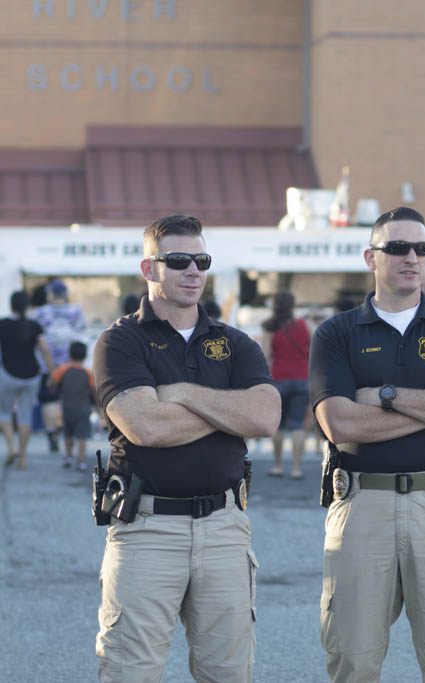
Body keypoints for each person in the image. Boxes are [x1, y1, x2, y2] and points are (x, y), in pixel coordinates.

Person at [309, 207, 425, 682]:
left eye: (422, 248)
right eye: (398, 247)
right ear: (371, 256)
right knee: (353, 660)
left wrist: (385, 397)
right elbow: (340, 423)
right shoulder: (336, 333)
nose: (412, 257)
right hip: (360, 504)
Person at [91, 214, 279, 681]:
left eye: (201, 260)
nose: (193, 270)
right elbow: (146, 426)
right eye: (178, 260)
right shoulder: (119, 341)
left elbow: (265, 417)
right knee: (129, 672)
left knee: (228, 673)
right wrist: (226, 412)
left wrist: (183, 394)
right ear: (149, 269)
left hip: (225, 528)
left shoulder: (235, 343)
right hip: (146, 529)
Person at [261, 290, 314, 479]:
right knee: (298, 424)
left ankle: (277, 465)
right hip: (302, 380)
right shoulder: (305, 324)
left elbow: (266, 356)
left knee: (280, 425)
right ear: (293, 306)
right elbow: (317, 349)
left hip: (279, 380)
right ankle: (296, 468)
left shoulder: (270, 327)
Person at [30, 279, 86, 454]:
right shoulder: (76, 311)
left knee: (50, 400)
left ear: (52, 294)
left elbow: (36, 338)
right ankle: (73, 437)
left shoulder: (40, 313)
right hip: (72, 366)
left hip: (48, 366)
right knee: (72, 401)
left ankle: (52, 434)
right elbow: (82, 332)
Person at [0, 291, 54, 469]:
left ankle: (12, 447)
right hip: (32, 376)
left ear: (11, 305)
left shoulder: (3, 324)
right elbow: (45, 350)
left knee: (4, 412)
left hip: (8, 374)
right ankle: (23, 457)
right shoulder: (34, 325)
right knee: (25, 416)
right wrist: (52, 374)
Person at [48, 340, 94, 471]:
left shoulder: (62, 370)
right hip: (84, 408)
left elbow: (51, 383)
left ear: (69, 355)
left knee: (68, 434)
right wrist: (98, 405)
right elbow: (94, 390)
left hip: (67, 407)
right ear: (85, 356)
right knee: (82, 436)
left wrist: (54, 388)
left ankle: (68, 457)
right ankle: (81, 462)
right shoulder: (88, 372)